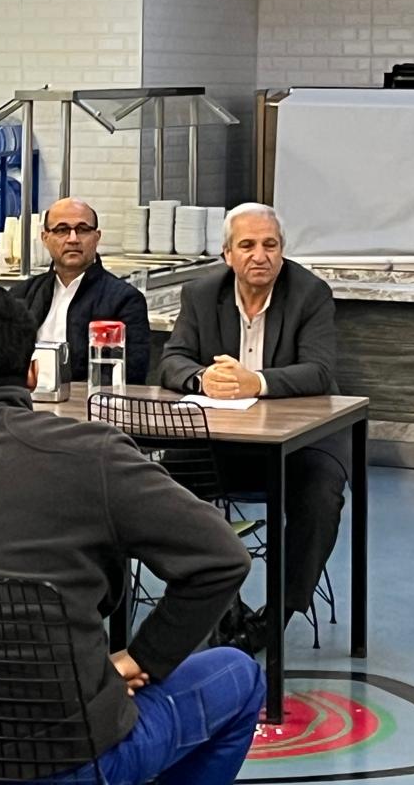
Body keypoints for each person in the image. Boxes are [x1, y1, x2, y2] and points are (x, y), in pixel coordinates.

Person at [0, 287, 263, 785]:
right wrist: (143, 657)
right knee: (239, 675)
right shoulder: (93, 456)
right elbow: (223, 557)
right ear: (33, 373)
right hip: (67, 755)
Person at [158, 201, 348, 655]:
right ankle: (221, 600)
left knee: (321, 495)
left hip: (301, 443)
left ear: (282, 250)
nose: (259, 256)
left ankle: (276, 617)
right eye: (247, 245)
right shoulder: (201, 294)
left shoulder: (310, 293)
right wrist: (202, 378)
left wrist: (255, 382)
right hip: (221, 441)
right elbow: (172, 360)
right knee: (158, 484)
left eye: (270, 245)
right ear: (227, 254)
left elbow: (319, 371)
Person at [12, 197, 151, 385]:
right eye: (62, 230)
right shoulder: (21, 295)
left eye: (83, 229)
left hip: (89, 401)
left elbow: (132, 373)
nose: (73, 239)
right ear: (45, 238)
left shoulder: (125, 300)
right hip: (25, 398)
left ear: (97, 237)